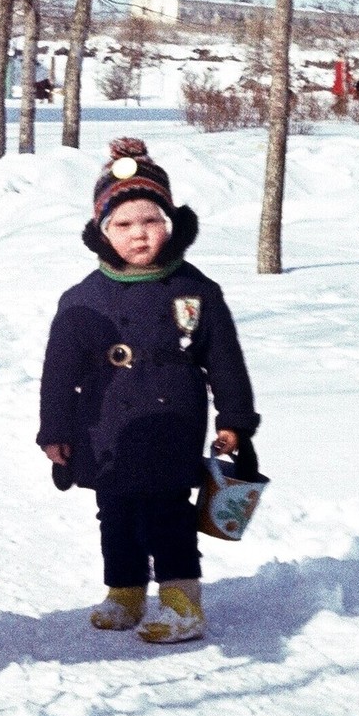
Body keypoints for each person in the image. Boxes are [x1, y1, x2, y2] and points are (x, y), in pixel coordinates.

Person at [37, 139, 258, 644]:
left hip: (173, 418)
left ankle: (181, 601)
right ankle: (125, 590)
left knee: (166, 508)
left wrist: (235, 419)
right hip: (104, 421)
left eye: (151, 220)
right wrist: (55, 429)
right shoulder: (81, 299)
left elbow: (223, 358)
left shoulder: (197, 290)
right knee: (114, 508)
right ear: (102, 231)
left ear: (171, 222)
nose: (140, 234)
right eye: (124, 224)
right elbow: (57, 372)